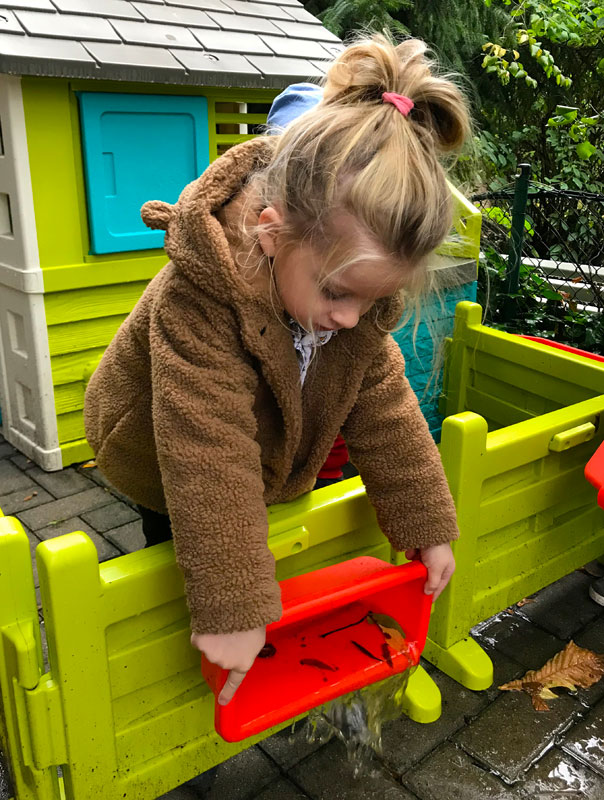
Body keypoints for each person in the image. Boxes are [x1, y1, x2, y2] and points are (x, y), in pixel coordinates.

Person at [84, 33, 469, 711]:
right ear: (269, 233)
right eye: (339, 294)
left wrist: (427, 526)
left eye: (376, 300)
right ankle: (193, 661)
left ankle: (241, 615)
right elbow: (206, 450)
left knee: (241, 536)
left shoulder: (339, 293)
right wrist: (232, 607)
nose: (354, 318)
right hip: (151, 443)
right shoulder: (198, 297)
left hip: (255, 442)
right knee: (181, 547)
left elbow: (385, 408)